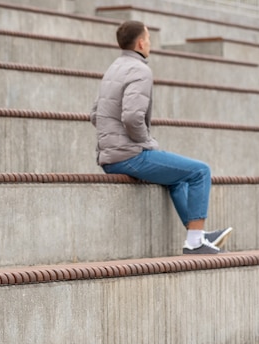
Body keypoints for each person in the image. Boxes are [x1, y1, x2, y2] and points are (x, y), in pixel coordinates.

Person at [90, 20, 232, 255]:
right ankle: (195, 242)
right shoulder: (140, 70)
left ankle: (197, 234)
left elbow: (95, 114)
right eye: (149, 39)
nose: (151, 44)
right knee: (200, 171)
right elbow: (132, 117)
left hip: (111, 155)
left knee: (176, 179)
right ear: (141, 42)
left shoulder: (114, 68)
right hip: (129, 155)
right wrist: (145, 142)